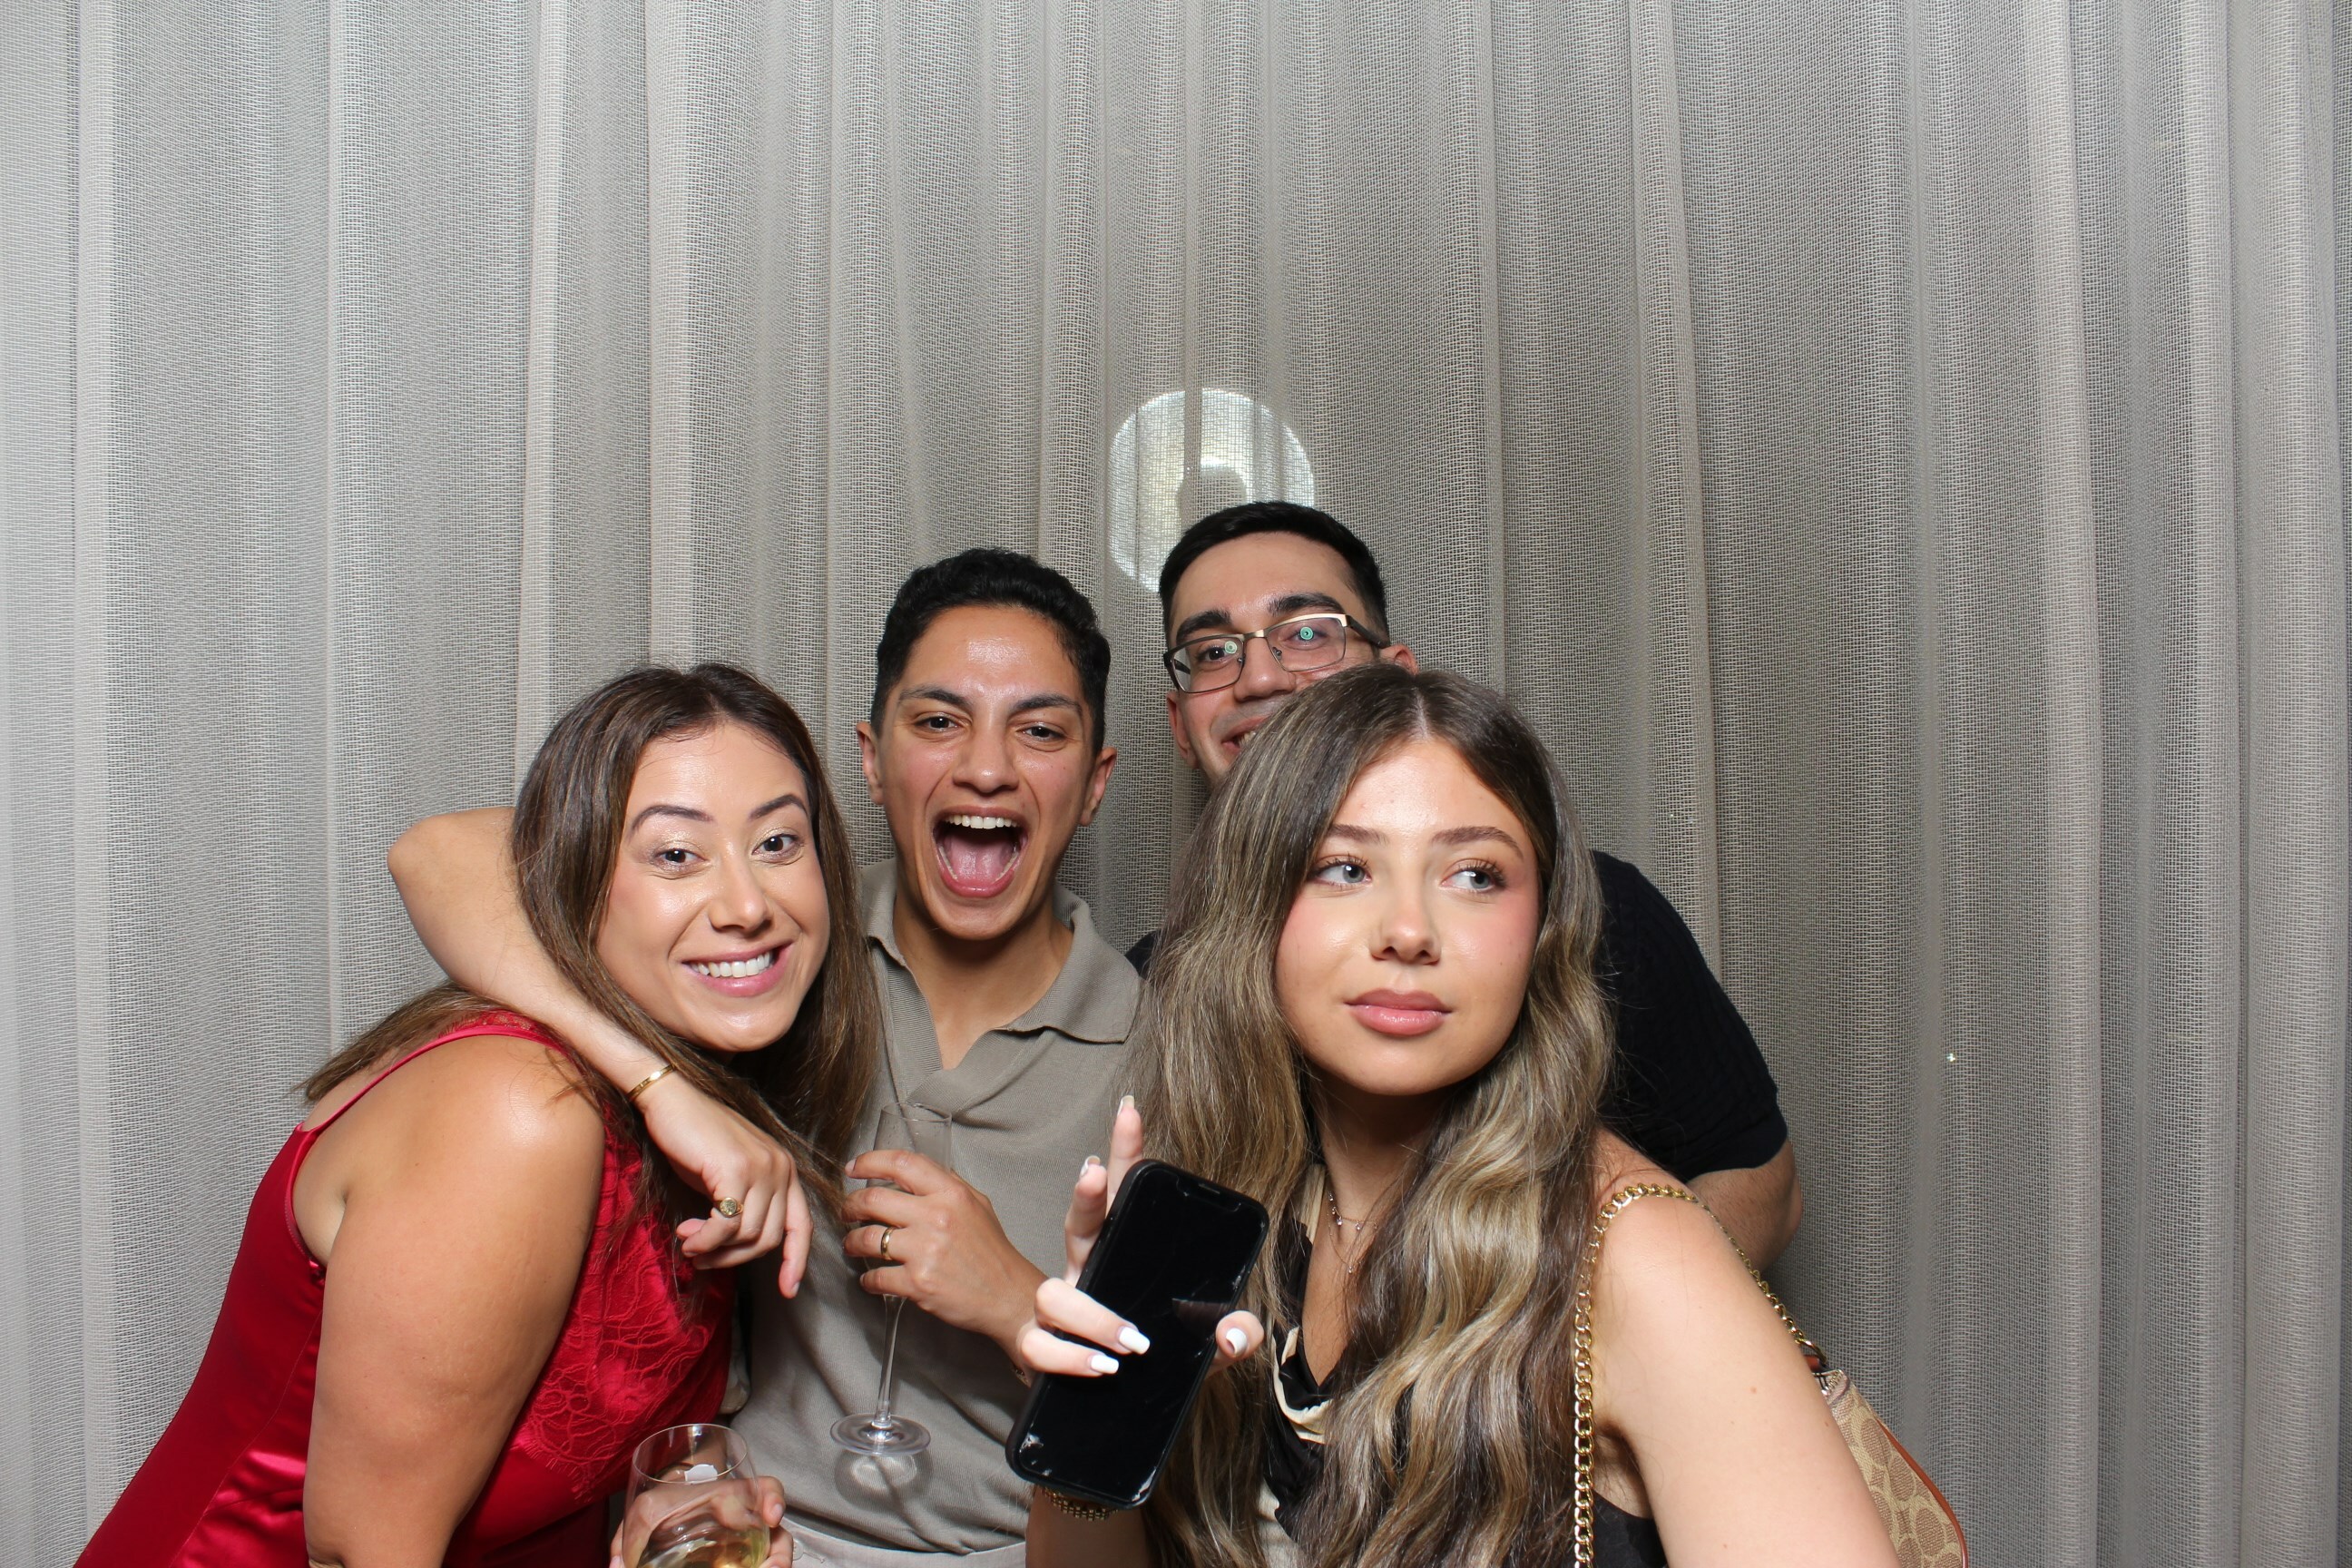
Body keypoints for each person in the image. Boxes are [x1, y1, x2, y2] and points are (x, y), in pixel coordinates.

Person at [1018, 664, 1896, 1568]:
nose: (1409, 930)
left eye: (1476, 875)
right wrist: (1099, 1411)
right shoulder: (1246, 1207)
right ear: (1255, 908)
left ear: (1543, 928)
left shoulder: (1636, 1258)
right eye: (1344, 868)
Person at [388, 549, 1136, 1564]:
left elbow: (1188, 1441)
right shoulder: (770, 964)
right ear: (870, 759)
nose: (987, 768)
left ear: (1094, 784)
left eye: (1039, 731)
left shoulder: (1169, 1050)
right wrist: (667, 1090)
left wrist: (1012, 1303)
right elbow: (440, 854)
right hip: (769, 1539)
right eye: (938, 721)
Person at [82, 663, 877, 1567]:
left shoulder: (709, 1101)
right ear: (577, 883)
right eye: (674, 855)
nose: (747, 906)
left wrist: (666, 1498)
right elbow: (362, 1551)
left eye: (777, 842)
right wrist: (661, 1085)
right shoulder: (518, 1109)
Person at [1140, 501, 1801, 1265]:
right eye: (1213, 651)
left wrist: (1606, 1317)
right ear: (1181, 724)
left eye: (1310, 633)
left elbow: (1758, 1179)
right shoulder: (1158, 981)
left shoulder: (1587, 913)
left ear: (1397, 679)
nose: (1259, 676)